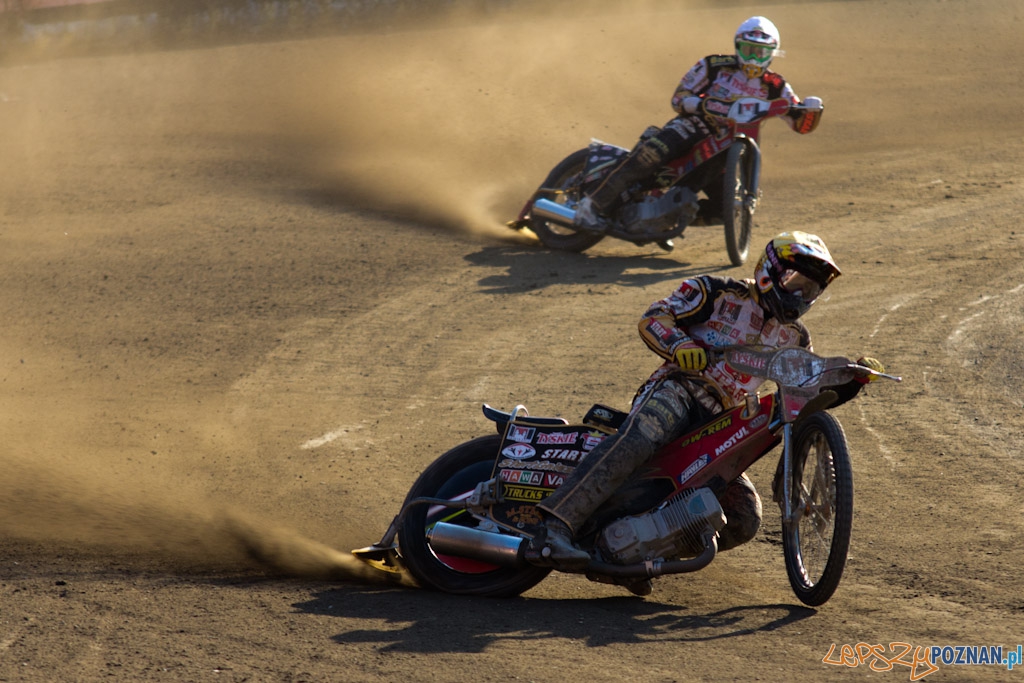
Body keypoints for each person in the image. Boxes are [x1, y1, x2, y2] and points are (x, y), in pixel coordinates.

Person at [532, 232, 883, 591]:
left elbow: (804, 396)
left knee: (744, 518)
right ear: (768, 271)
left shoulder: (796, 337)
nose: (800, 295)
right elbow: (655, 317)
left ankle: (632, 557)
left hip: (724, 424)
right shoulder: (716, 292)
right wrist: (680, 344)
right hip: (680, 388)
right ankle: (555, 524)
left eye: (810, 289)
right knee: (643, 437)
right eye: (794, 281)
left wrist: (850, 380)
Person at [575, 16, 824, 233]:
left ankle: (667, 219)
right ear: (737, 46)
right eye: (748, 49)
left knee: (726, 209)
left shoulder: (777, 85)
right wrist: (697, 104)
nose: (753, 57)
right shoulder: (713, 66)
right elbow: (678, 97)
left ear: (773, 53)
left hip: (726, 149)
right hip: (693, 126)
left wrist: (811, 110)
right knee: (651, 155)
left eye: (761, 52)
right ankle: (591, 206)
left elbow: (800, 123)